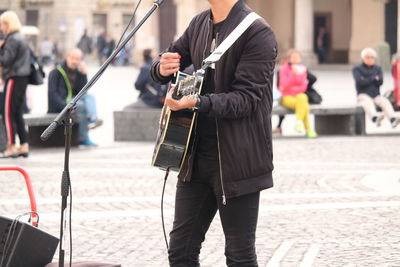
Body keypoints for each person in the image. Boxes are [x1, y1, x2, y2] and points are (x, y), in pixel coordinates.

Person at [151, 0, 277, 266]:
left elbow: (246, 100)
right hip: (195, 158)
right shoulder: (199, 23)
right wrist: (160, 68)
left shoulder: (258, 32)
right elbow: (170, 59)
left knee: (239, 256)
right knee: (181, 253)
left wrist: (198, 102)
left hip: (237, 161)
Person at [47, 48, 102, 147]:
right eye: (73, 58)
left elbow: (82, 91)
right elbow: (52, 95)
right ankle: (84, 137)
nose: (75, 61)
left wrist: (83, 75)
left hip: (72, 100)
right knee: (82, 106)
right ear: (68, 57)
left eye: (78, 59)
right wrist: (65, 107)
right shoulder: (56, 72)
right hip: (60, 104)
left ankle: (93, 118)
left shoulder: (77, 72)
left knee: (89, 97)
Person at [0, 11, 31, 158]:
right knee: (17, 112)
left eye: (2, 24)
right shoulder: (22, 37)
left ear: (7, 24)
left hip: (13, 77)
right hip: (22, 77)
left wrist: (1, 47)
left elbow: (6, 60)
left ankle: (11, 146)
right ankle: (23, 144)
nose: (1, 28)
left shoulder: (12, 39)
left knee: (7, 112)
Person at [273, 57, 321, 136]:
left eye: (298, 57)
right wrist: (292, 75)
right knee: (304, 105)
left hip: (297, 96)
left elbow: (304, 86)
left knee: (303, 97)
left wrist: (294, 89)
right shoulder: (283, 70)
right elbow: (283, 87)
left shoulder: (302, 69)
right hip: (286, 97)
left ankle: (298, 122)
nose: (297, 59)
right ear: (288, 59)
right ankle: (308, 129)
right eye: (294, 57)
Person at [353, 48, 400, 128]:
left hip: (376, 95)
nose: (370, 59)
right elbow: (360, 82)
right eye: (367, 57)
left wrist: (366, 78)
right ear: (363, 58)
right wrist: (373, 78)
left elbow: (380, 82)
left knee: (385, 102)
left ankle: (393, 119)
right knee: (367, 102)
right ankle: (375, 118)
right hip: (363, 94)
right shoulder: (357, 68)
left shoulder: (377, 68)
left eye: (372, 57)